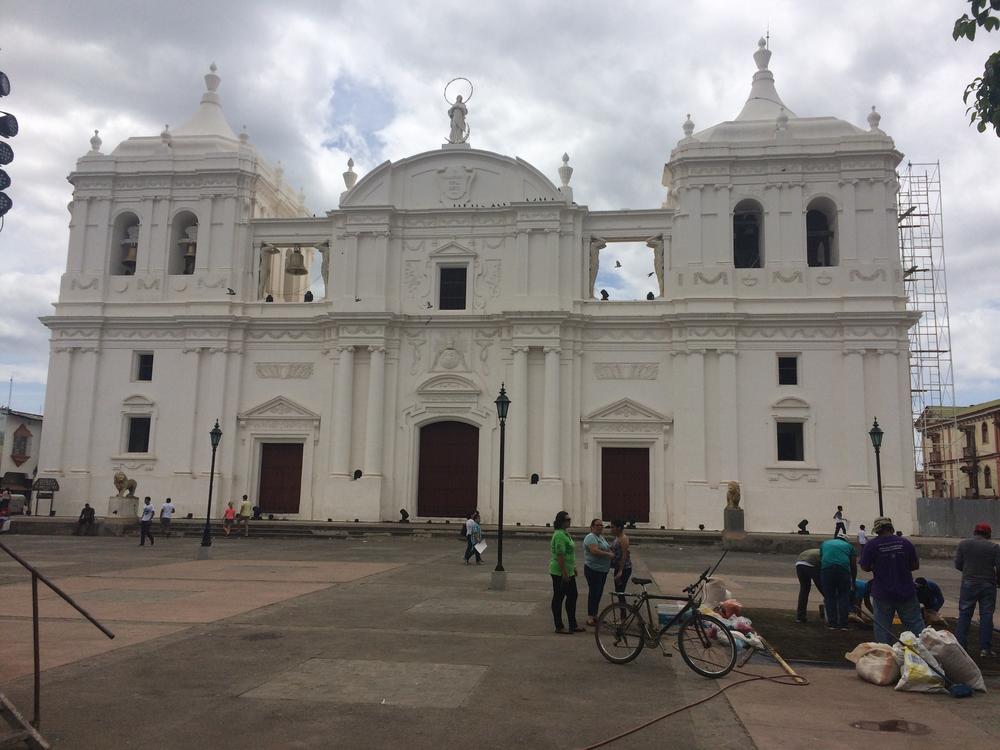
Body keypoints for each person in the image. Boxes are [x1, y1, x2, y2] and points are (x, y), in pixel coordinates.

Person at [859, 516, 924, 644]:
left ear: (877, 530)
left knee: (882, 629)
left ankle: (885, 656)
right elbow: (915, 566)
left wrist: (878, 565)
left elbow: (864, 567)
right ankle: (924, 654)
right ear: (891, 528)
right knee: (916, 626)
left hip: (883, 593)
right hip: (906, 591)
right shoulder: (905, 543)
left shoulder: (871, 545)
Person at [954, 522, 1000, 657]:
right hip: (988, 584)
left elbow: (958, 564)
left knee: (964, 614)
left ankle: (960, 647)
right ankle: (985, 649)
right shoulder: (994, 547)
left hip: (969, 583)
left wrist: (969, 571)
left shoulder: (963, 544)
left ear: (975, 532)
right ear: (988, 534)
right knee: (986, 615)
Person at [549, 510, 582, 634]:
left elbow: (569, 553)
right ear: (561, 521)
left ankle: (572, 624)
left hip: (568, 571)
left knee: (573, 595)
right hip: (559, 572)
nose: (570, 521)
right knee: (559, 597)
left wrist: (572, 568)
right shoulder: (559, 535)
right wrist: (564, 573)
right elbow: (560, 554)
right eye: (567, 519)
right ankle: (559, 626)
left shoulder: (565, 533)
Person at [820, 535, 857, 629]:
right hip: (843, 570)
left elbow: (822, 558)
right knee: (844, 595)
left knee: (829, 596)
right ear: (846, 540)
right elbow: (853, 565)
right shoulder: (849, 546)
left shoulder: (825, 543)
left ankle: (832, 623)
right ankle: (844, 624)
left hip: (827, 570)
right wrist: (853, 580)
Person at [583, 518, 614, 626]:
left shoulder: (600, 537)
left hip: (602, 569)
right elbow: (594, 551)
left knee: (598, 592)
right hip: (593, 569)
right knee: (594, 592)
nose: (600, 527)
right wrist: (608, 554)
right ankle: (590, 617)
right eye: (597, 525)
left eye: (601, 525)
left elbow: (606, 547)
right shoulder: (590, 537)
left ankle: (595, 615)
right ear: (592, 527)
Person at [794, 548, 823, 623]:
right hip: (810, 564)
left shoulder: (817, 551)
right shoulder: (826, 554)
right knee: (822, 588)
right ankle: (832, 612)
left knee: (804, 589)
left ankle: (800, 616)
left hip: (799, 563)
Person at [609, 519, 632, 598]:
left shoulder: (623, 538)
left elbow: (624, 555)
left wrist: (620, 571)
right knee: (618, 591)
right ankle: (622, 608)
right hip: (618, 567)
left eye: (613, 527)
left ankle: (623, 609)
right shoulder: (617, 537)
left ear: (619, 528)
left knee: (620, 592)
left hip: (624, 568)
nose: (611, 529)